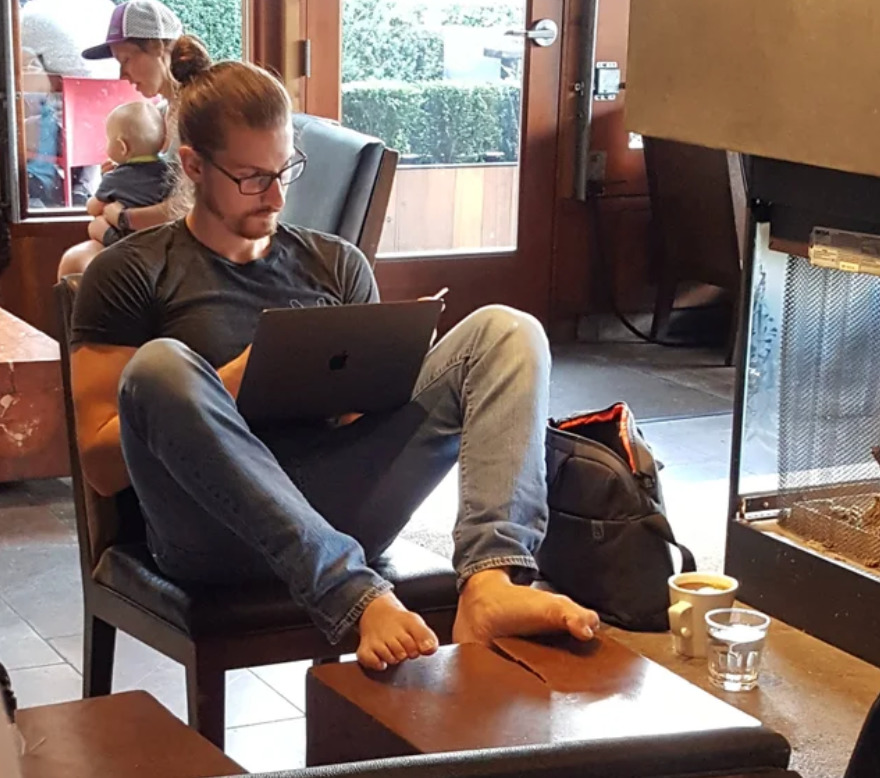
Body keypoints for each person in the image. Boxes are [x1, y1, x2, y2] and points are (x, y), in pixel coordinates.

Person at [69, 37, 600, 671]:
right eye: (252, 178)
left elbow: (363, 426)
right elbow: (102, 466)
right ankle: (351, 595)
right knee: (160, 366)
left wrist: (379, 376)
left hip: (341, 511)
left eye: (285, 171)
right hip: (207, 533)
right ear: (193, 164)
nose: (275, 196)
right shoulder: (129, 274)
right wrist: (230, 380)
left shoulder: (335, 263)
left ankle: (491, 580)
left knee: (507, 331)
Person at [57, 0, 184, 279]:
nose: (122, 75)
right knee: (74, 263)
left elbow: (190, 205)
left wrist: (122, 218)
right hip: (148, 236)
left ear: (158, 47)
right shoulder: (160, 113)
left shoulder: (196, 112)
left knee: (90, 271)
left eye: (126, 60)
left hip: (177, 243)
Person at [85, 101, 172, 249]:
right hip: (160, 239)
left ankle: (119, 246)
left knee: (95, 225)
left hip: (129, 237)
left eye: (108, 140)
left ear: (122, 147)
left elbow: (93, 208)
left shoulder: (116, 178)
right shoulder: (170, 171)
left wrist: (105, 180)